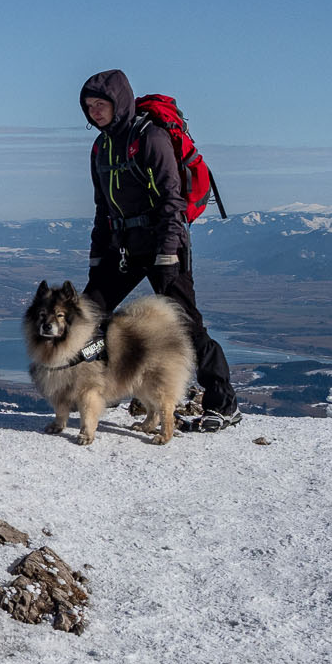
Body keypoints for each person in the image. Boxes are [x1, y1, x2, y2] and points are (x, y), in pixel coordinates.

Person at [78, 68, 241, 431]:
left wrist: (168, 252)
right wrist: (97, 255)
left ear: (118, 102)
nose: (95, 112)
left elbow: (172, 199)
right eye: (89, 106)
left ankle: (223, 402)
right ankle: (89, 389)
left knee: (185, 325)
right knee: (86, 316)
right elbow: (102, 208)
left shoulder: (149, 137)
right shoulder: (100, 147)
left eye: (101, 104)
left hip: (164, 246)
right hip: (123, 247)